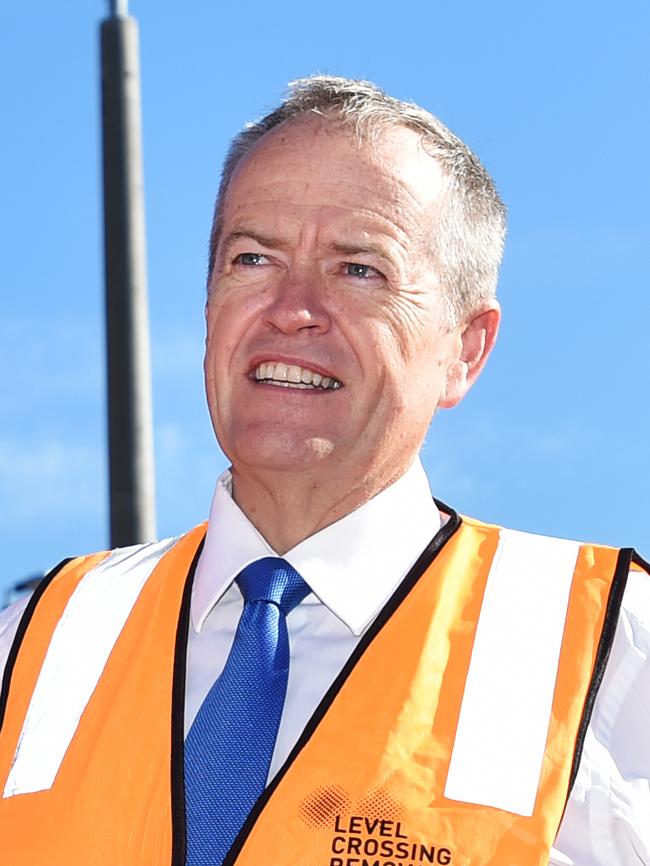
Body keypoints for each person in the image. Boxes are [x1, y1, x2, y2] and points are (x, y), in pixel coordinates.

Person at [0, 76, 648, 866]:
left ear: (465, 349)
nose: (291, 306)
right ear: (208, 305)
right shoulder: (34, 643)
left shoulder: (609, 647)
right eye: (252, 257)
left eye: (359, 269)